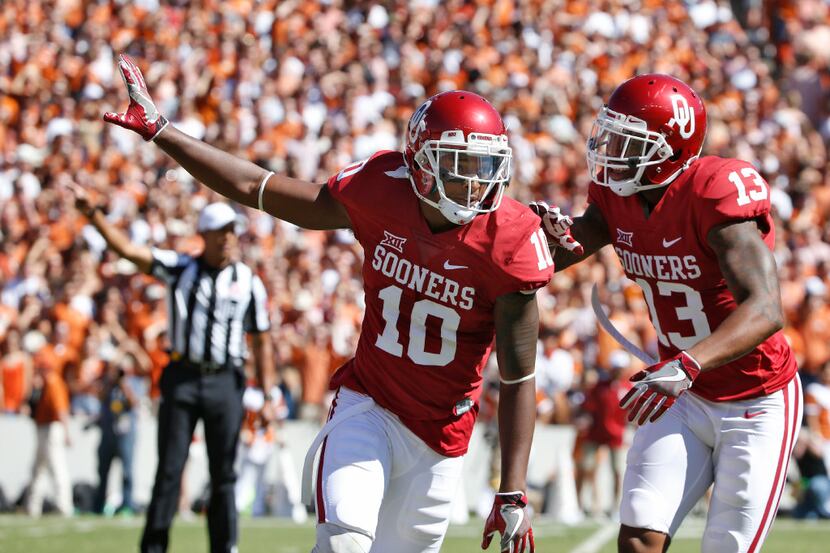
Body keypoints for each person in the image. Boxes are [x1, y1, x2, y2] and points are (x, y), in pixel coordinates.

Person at [104, 53, 551, 553]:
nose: (475, 183)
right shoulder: (382, 193)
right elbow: (257, 187)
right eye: (459, 165)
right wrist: (163, 131)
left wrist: (512, 489)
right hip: (369, 406)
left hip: (442, 438)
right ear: (421, 164)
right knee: (343, 542)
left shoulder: (510, 240)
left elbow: (518, 377)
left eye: (484, 166)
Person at [533, 74, 801, 553]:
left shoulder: (713, 191)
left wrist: (687, 363)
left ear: (670, 149)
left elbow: (765, 308)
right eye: (611, 132)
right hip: (680, 393)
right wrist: (538, 235)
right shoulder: (615, 196)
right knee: (638, 538)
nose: (611, 147)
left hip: (754, 398)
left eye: (629, 140)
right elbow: (575, 242)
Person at [69, 184, 276, 553]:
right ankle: (153, 547)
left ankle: (225, 547)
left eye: (233, 231)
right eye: (222, 232)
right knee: (170, 469)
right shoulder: (181, 268)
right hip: (182, 378)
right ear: (205, 236)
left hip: (226, 381)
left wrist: (269, 393)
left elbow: (261, 340)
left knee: (224, 474)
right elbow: (129, 251)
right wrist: (93, 214)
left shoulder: (248, 282)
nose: (229, 238)